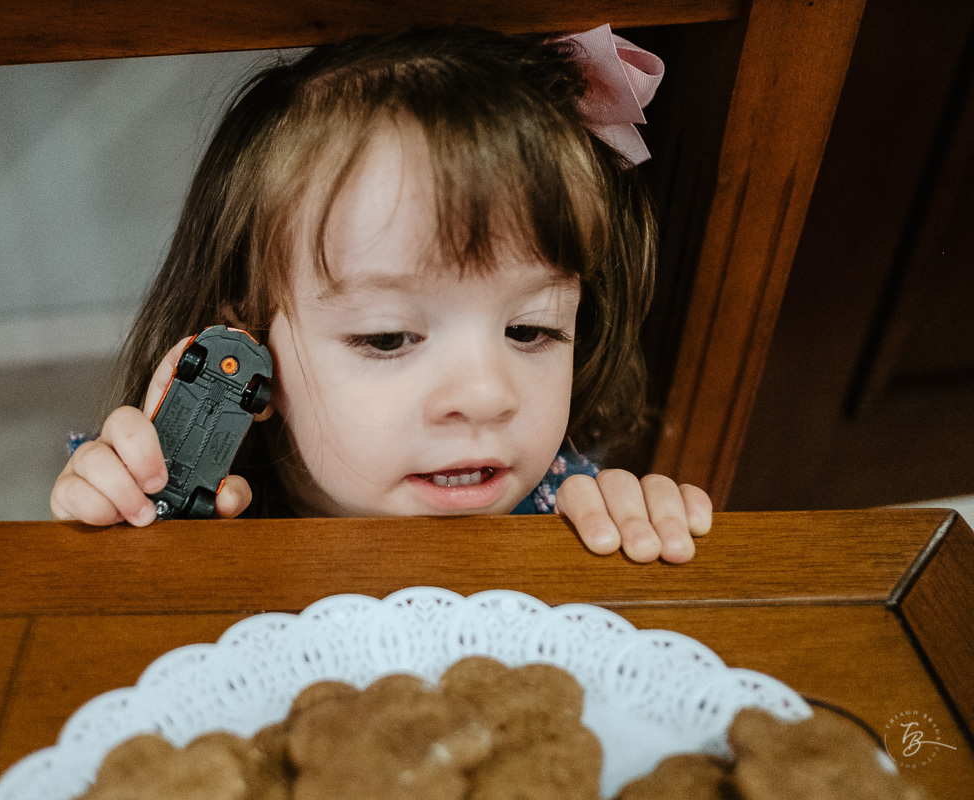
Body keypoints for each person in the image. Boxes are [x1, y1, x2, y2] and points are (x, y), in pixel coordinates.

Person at [50, 25, 712, 562]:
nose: (487, 395)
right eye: (389, 336)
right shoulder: (190, 519)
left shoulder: (566, 517)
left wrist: (636, 535)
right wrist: (118, 521)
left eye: (530, 329)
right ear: (253, 351)